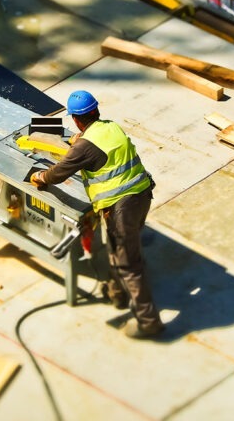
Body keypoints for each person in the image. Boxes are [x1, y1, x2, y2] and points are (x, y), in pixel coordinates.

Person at [29, 90, 164, 339]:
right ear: (95, 111)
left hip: (120, 207)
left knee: (128, 263)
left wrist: (40, 176)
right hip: (142, 195)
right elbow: (97, 146)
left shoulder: (84, 147)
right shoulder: (110, 127)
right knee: (119, 248)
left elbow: (58, 174)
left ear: (76, 119)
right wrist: (81, 140)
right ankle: (118, 293)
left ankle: (149, 321)